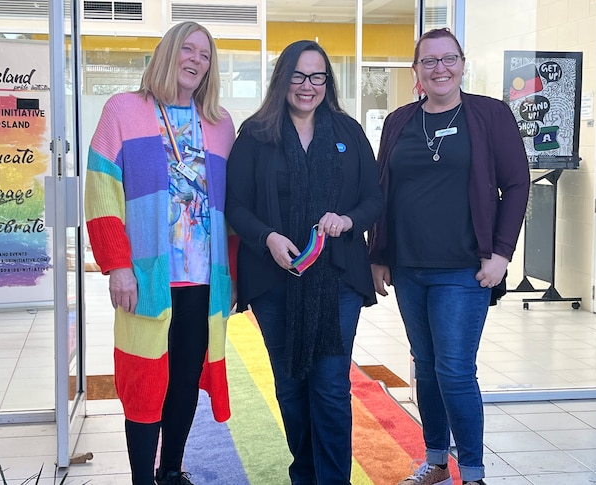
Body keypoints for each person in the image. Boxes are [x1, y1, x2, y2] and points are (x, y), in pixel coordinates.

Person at [368, 28, 530, 485]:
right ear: (416, 69)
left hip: (464, 268)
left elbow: (516, 184)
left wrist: (500, 252)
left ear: (462, 63)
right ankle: (437, 461)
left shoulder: (490, 115)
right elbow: (385, 189)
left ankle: (473, 473)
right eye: (429, 61)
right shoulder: (399, 120)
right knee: (425, 365)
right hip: (408, 267)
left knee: (455, 370)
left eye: (448, 59)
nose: (440, 68)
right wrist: (378, 253)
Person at [83, 21, 236, 485]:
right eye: (187, 49)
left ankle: (171, 471)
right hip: (148, 277)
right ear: (167, 53)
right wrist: (117, 265)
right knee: (145, 380)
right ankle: (141, 480)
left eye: (205, 55)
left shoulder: (220, 122)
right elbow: (101, 190)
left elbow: (233, 206)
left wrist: (234, 276)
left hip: (205, 279)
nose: (196, 60)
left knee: (185, 383)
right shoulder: (122, 111)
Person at [225, 40, 383, 485]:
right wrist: (267, 237)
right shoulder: (255, 135)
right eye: (298, 75)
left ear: (327, 82)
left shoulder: (349, 133)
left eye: (317, 76)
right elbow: (235, 205)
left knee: (331, 388)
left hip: (338, 279)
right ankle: (305, 475)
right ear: (282, 79)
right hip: (274, 282)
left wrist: (348, 219)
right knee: (292, 388)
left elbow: (374, 198)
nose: (307, 86)